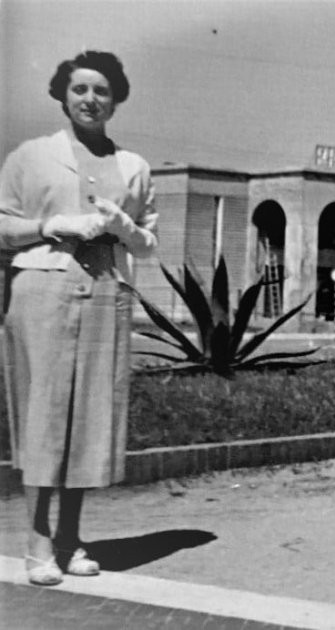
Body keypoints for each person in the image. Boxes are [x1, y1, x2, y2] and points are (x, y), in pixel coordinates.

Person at [0, 51, 157, 586]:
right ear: (62, 96)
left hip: (106, 290)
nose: (91, 99)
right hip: (42, 287)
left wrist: (126, 229)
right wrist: (52, 224)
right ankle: (37, 543)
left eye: (102, 90)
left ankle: (71, 538)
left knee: (89, 416)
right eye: (80, 90)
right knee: (43, 413)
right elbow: (3, 227)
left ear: (117, 97)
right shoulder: (30, 157)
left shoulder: (134, 166)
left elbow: (150, 241)